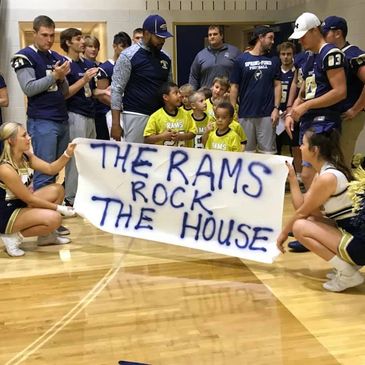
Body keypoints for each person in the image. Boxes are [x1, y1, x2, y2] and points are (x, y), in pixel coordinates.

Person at [277, 129, 364, 292]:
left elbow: (301, 213)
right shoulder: (324, 173)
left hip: (359, 243)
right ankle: (348, 268)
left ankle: (348, 274)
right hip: (353, 236)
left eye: (303, 144)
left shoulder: (327, 178)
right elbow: (304, 209)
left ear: (314, 150)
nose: (300, 147)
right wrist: (293, 178)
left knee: (299, 227)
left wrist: (283, 234)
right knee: (309, 221)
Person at [11, 15, 70, 191]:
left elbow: (65, 92)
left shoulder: (56, 56)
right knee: (44, 172)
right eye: (44, 35)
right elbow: (28, 88)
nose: (49, 40)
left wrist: (61, 78)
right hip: (42, 120)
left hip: (61, 118)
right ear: (34, 33)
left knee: (55, 171)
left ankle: (48, 207)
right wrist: (54, 76)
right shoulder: (24, 56)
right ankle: (40, 213)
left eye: (52, 35)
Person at [0, 122, 76, 257]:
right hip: (6, 213)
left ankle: (47, 237)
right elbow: (29, 199)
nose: (29, 138)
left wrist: (67, 154)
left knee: (57, 190)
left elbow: (51, 169)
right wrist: (59, 208)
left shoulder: (26, 157)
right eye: (24, 135)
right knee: (54, 218)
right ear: (11, 141)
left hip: (20, 205)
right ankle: (13, 238)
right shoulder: (5, 168)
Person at [111, 14, 173, 143]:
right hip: (136, 114)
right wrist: (115, 124)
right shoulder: (128, 56)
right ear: (146, 33)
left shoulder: (166, 58)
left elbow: (169, 88)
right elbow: (116, 90)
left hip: (160, 115)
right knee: (135, 157)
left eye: (164, 37)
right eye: (158, 37)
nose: (162, 41)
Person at [60, 28, 99, 207]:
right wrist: (83, 80)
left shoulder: (85, 63)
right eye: (78, 39)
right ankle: (71, 197)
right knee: (75, 157)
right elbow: (65, 94)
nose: (82, 41)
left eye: (83, 38)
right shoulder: (65, 64)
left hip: (90, 113)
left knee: (88, 157)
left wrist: (106, 91)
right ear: (68, 43)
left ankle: (86, 194)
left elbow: (90, 91)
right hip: (75, 114)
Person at [322, 16, 365, 168]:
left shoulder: (353, 54)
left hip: (350, 114)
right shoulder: (331, 54)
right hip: (336, 114)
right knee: (333, 157)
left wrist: (356, 109)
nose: (322, 36)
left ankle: (344, 189)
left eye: (325, 33)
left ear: (338, 33)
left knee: (342, 159)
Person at [230, 25, 281, 154]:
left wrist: (276, 108)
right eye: (270, 38)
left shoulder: (274, 60)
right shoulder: (241, 60)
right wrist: (232, 109)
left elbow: (277, 85)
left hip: (267, 114)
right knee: (246, 152)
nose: (273, 41)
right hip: (245, 113)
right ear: (260, 38)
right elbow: (234, 86)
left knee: (268, 153)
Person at [95, 31, 132, 139]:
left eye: (128, 47)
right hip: (110, 113)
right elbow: (101, 95)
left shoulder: (130, 65)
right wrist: (119, 106)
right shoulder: (106, 68)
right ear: (114, 46)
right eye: (123, 46)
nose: (125, 50)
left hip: (127, 112)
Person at [276, 42, 302, 177]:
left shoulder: (297, 72)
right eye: (283, 54)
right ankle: (279, 176)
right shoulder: (275, 71)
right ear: (279, 56)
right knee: (276, 146)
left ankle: (298, 176)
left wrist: (291, 110)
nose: (286, 57)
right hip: (277, 114)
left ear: (294, 55)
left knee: (295, 146)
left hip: (292, 113)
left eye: (289, 54)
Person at [143, 82, 196, 146]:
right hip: (163, 155)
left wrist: (182, 136)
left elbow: (193, 133)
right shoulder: (155, 117)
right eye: (176, 93)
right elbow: (147, 139)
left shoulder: (186, 115)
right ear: (165, 97)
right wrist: (162, 136)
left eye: (179, 92)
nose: (180, 95)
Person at [189, 25, 240, 90]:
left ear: (221, 36)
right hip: (206, 96)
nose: (212, 37)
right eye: (210, 35)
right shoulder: (200, 55)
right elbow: (193, 77)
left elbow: (242, 74)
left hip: (227, 96)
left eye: (215, 34)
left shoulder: (234, 52)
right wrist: (193, 95)